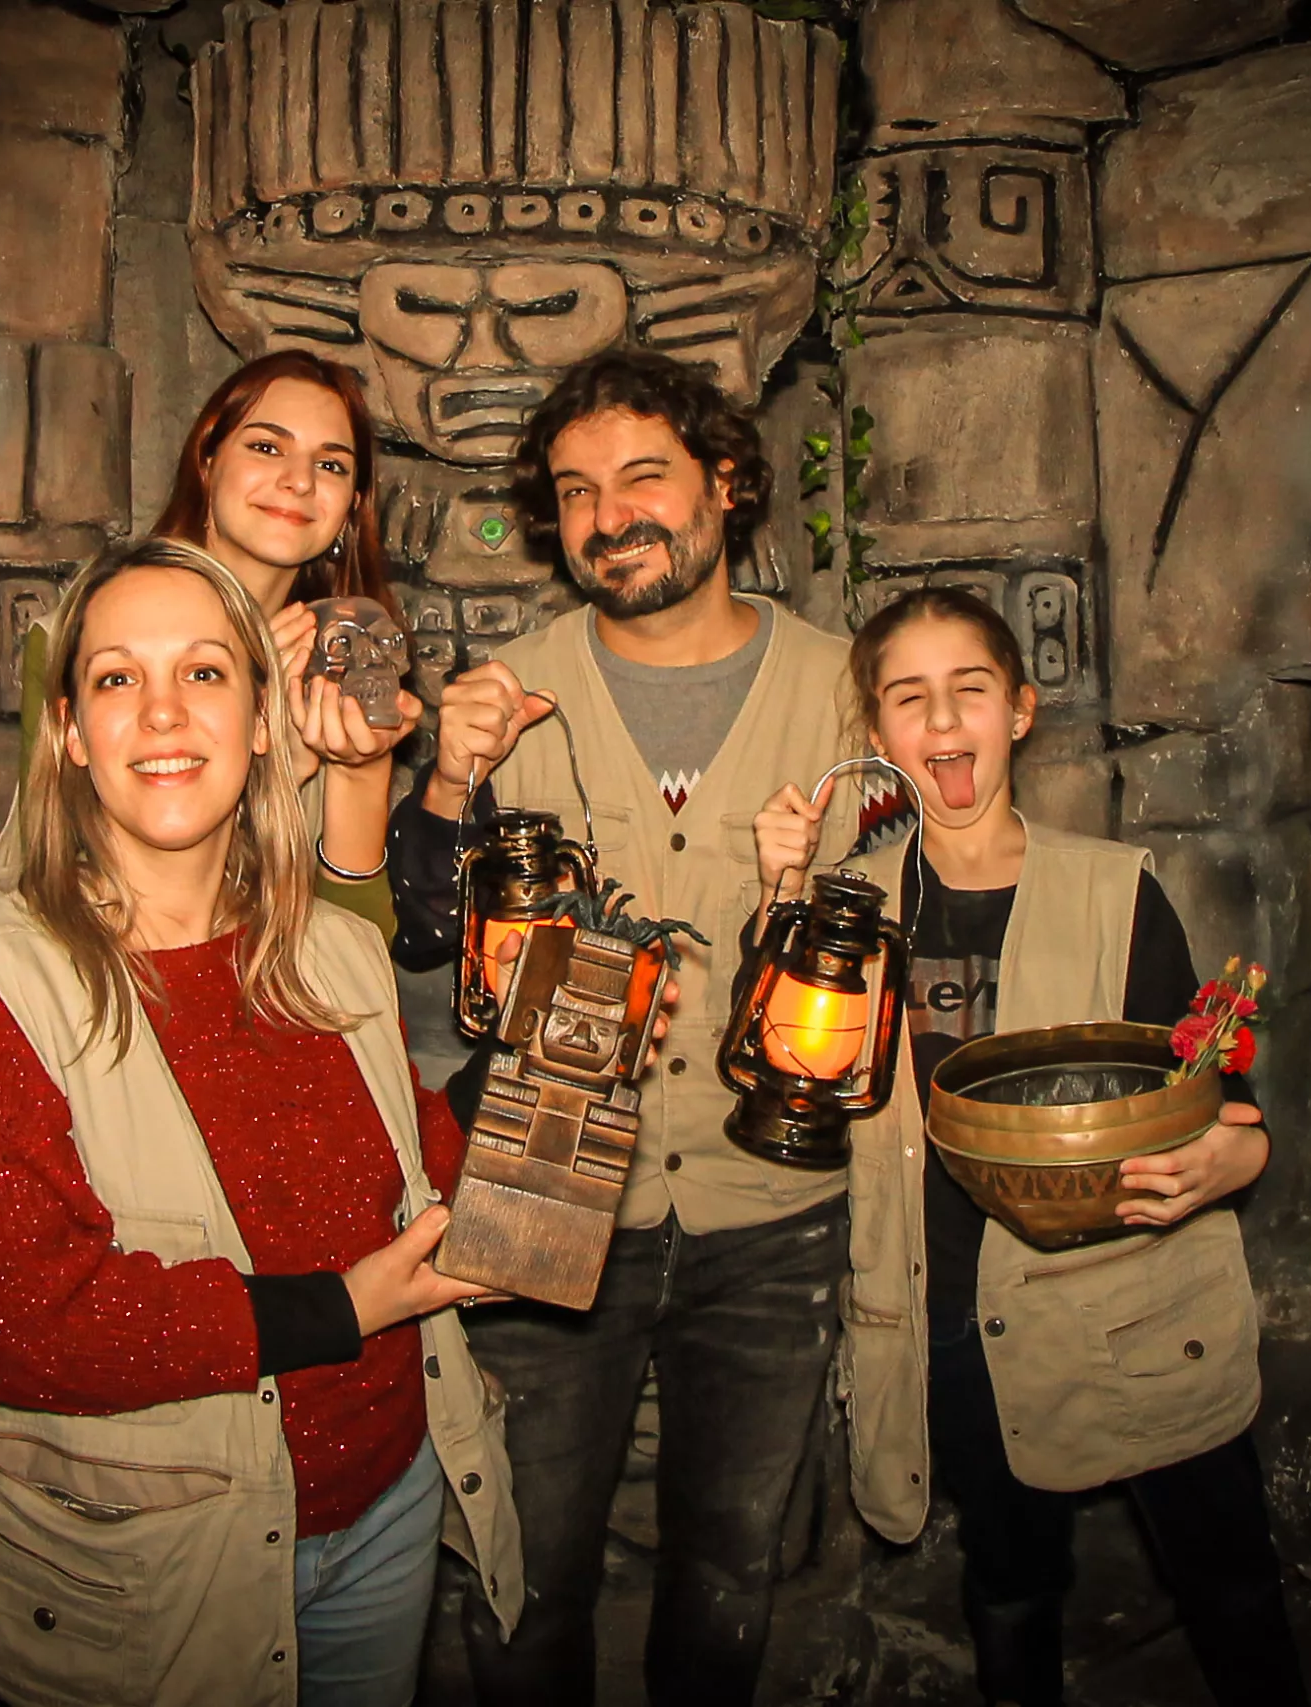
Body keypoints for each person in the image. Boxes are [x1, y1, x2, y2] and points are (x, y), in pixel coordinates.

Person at [0, 538, 520, 1707]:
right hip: (162, 1565)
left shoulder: (337, 950)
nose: (165, 711)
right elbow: (7, 1318)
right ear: (71, 733)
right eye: (118, 678)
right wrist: (340, 1309)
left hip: (390, 1500)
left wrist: (557, 1050)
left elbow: (415, 1169)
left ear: (264, 718)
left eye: (205, 672)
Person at [388, 349, 858, 1706]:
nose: (609, 517)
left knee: (727, 1575)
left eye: (643, 476)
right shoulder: (506, 693)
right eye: (577, 491)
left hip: (771, 1206)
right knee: (522, 1577)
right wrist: (448, 784)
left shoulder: (843, 691)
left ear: (727, 480)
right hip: (537, 1182)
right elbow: (424, 934)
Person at [752, 586, 1310, 1707]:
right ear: (877, 734)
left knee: (1226, 1575)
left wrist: (1237, 1159)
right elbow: (784, 1089)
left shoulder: (1113, 890)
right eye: (908, 697)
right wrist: (780, 893)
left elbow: (1211, 1097)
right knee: (1009, 1583)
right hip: (951, 1317)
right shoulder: (847, 907)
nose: (941, 720)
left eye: (969, 690)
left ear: (1018, 709)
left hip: (1127, 1307)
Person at [13, 349, 417, 935]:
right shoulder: (78, 642)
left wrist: (362, 773)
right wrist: (267, 766)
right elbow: (48, 887)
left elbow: (359, 953)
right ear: (207, 462)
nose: (299, 480)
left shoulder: (348, 666)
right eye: (267, 447)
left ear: (352, 507)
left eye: (331, 465)